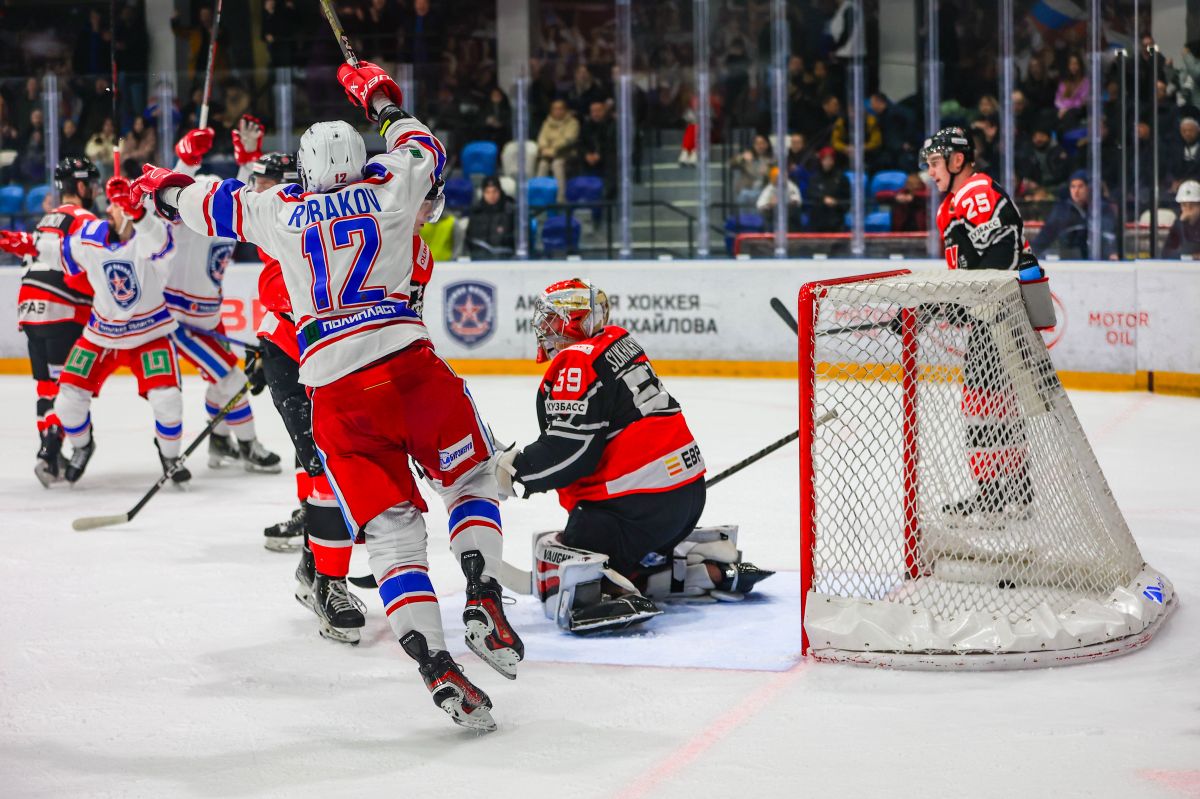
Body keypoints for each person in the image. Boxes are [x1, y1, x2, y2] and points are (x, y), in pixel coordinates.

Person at [131, 60, 522, 733]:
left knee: (394, 534)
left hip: (337, 393)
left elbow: (206, 203)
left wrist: (156, 188)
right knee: (472, 477)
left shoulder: (281, 209)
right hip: (411, 371)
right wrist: (381, 98)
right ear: (361, 159)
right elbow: (424, 145)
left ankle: (435, 664)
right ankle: (482, 589)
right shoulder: (392, 186)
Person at [493, 278, 772, 634]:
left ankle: (606, 591)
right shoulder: (619, 341)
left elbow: (571, 451)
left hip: (634, 507)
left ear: (576, 322)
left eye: (552, 319)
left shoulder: (576, 362)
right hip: (687, 496)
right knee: (630, 547)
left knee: (566, 548)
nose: (544, 328)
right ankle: (704, 570)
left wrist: (516, 471)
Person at [922, 126, 1041, 516]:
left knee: (982, 405)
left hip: (999, 317)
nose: (932, 171)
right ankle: (1016, 492)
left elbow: (1002, 250)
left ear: (958, 161)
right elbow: (972, 267)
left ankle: (995, 494)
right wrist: (952, 305)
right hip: (995, 314)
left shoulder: (974, 192)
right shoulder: (954, 202)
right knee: (1000, 404)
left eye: (936, 163)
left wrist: (974, 302)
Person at [164, 119, 283, 474]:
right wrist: (185, 162)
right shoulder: (184, 224)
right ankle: (247, 446)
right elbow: (165, 198)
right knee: (231, 378)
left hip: (209, 316)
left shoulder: (227, 217)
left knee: (222, 380)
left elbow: (245, 193)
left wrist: (249, 157)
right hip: (179, 321)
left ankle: (218, 443)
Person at [52, 177, 185, 486]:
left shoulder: (150, 235)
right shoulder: (91, 235)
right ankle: (83, 447)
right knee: (67, 401)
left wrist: (137, 214)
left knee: (168, 401)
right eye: (111, 203)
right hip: (101, 335)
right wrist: (14, 241)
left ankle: (169, 456)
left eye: (117, 204)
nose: (109, 209)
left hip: (148, 334)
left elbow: (162, 247)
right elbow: (55, 250)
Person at [0, 157, 99, 485]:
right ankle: (50, 450)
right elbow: (92, 266)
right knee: (67, 386)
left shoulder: (47, 219)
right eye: (93, 185)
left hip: (29, 310)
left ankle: (50, 450)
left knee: (46, 386)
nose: (95, 191)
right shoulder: (84, 218)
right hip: (61, 310)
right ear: (82, 187)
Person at [1031, 170, 1118, 260]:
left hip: (1098, 261)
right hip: (1069, 261)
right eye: (1073, 187)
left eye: (1080, 186)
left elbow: (1109, 235)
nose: (1076, 191)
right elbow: (1045, 236)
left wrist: (1111, 253)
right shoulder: (1062, 211)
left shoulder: (1102, 209)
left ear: (1089, 188)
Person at [536, 99, 579, 204]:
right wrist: (544, 147)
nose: (557, 111)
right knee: (543, 164)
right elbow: (542, 138)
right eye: (555, 109)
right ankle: (539, 196)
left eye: (560, 109)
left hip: (566, 153)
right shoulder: (547, 122)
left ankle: (560, 198)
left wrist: (553, 149)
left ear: (565, 110)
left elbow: (569, 139)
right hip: (548, 153)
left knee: (557, 164)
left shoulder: (573, 122)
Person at [465, 177, 516, 259]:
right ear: (483, 193)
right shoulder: (476, 212)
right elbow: (469, 240)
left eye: (494, 191)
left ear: (500, 191)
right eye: (487, 192)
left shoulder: (511, 212)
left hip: (506, 260)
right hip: (479, 261)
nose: (491, 195)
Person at [805, 147, 849, 232]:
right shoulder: (814, 178)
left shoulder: (841, 177)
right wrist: (823, 199)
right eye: (825, 159)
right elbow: (810, 193)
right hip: (818, 218)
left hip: (836, 217)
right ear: (821, 160)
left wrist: (837, 203)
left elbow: (846, 198)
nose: (828, 162)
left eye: (830, 159)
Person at [1162, 180, 1200, 258]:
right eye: (1184, 205)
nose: (1188, 209)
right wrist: (1181, 225)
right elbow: (1166, 253)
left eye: (1192, 205)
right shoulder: (1178, 224)